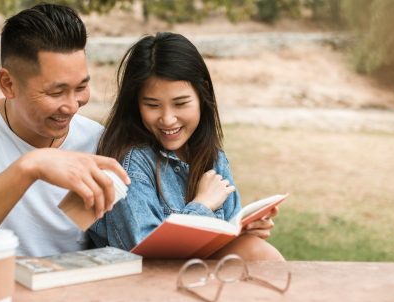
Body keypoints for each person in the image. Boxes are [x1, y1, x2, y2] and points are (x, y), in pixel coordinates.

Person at [0, 4, 129, 257]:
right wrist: (30, 166)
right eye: (56, 92)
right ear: (8, 83)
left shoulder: (96, 140)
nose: (73, 106)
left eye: (81, 87)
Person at [88, 32, 284, 261]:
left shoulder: (213, 157)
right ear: (136, 104)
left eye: (180, 103)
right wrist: (201, 206)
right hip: (144, 285)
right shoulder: (130, 163)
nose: (168, 119)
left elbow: (225, 231)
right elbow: (147, 257)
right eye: (152, 105)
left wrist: (244, 231)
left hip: (199, 277)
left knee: (254, 249)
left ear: (202, 96)